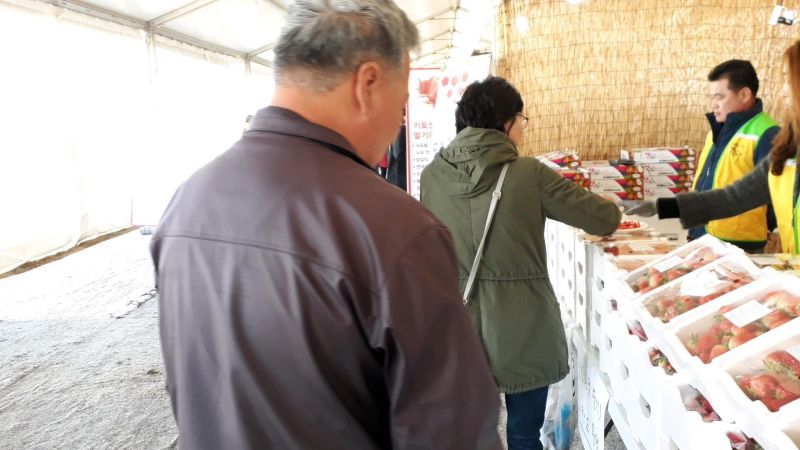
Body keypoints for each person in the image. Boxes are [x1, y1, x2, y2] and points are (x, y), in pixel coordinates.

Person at [150, 1, 502, 448]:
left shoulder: (186, 202)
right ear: (368, 83)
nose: (399, 123)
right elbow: (450, 435)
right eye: (402, 105)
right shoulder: (397, 229)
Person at [420, 76, 622, 450]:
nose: (523, 131)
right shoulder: (529, 174)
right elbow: (602, 218)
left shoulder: (431, 176)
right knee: (524, 434)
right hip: (524, 328)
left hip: (458, 329)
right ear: (506, 122)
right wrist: (615, 207)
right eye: (521, 120)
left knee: (470, 436)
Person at [625, 42, 800, 255]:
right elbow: (733, 198)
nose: (782, 93)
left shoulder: (766, 133)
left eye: (788, 79)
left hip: (741, 245)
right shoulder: (788, 146)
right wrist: (662, 206)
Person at [684, 60, 780, 252]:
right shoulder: (715, 132)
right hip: (700, 237)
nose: (714, 104)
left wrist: (761, 230)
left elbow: (776, 194)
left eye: (719, 97)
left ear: (744, 94)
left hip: (738, 247)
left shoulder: (768, 134)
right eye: (712, 97)